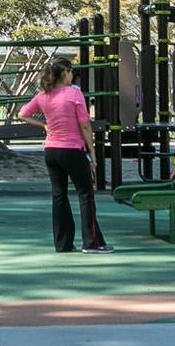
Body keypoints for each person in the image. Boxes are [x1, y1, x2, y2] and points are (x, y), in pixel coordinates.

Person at [18, 55, 113, 254]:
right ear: (64, 73)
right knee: (86, 194)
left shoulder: (43, 95)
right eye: (70, 71)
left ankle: (63, 243)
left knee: (59, 195)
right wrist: (93, 151)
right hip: (73, 150)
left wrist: (44, 125)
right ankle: (92, 242)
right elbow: (85, 125)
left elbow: (22, 113)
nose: (72, 75)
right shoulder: (74, 94)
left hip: (51, 151)